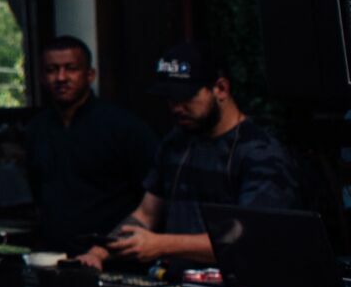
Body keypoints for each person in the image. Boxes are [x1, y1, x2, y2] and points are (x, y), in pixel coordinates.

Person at [79, 41, 305, 271]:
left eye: (185, 97)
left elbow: (248, 238)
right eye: (170, 99)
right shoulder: (176, 142)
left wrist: (162, 244)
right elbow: (146, 214)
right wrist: (98, 252)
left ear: (221, 89)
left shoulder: (261, 153)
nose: (176, 108)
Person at [22, 35, 156, 257]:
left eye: (71, 68)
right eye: (52, 70)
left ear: (90, 75)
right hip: (53, 257)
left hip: (112, 257)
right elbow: (38, 193)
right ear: (42, 78)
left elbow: (152, 197)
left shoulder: (123, 126)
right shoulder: (37, 129)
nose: (61, 77)